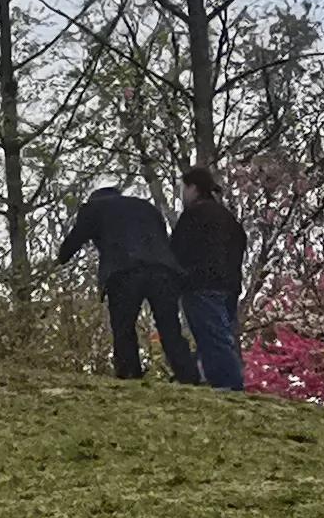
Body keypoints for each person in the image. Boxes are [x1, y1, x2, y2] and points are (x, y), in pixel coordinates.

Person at [56, 182, 201, 383]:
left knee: (123, 326)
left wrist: (60, 258)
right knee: (169, 327)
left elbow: (76, 237)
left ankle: (130, 375)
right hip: (162, 271)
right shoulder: (146, 207)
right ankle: (188, 376)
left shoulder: (94, 208)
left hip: (124, 271)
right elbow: (163, 239)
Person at [172, 163, 250, 393]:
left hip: (200, 283)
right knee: (222, 333)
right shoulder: (227, 219)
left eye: (183, 189)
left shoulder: (193, 216)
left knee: (212, 336)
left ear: (193, 188)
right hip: (229, 285)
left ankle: (228, 384)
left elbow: (176, 250)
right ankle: (216, 379)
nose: (182, 195)